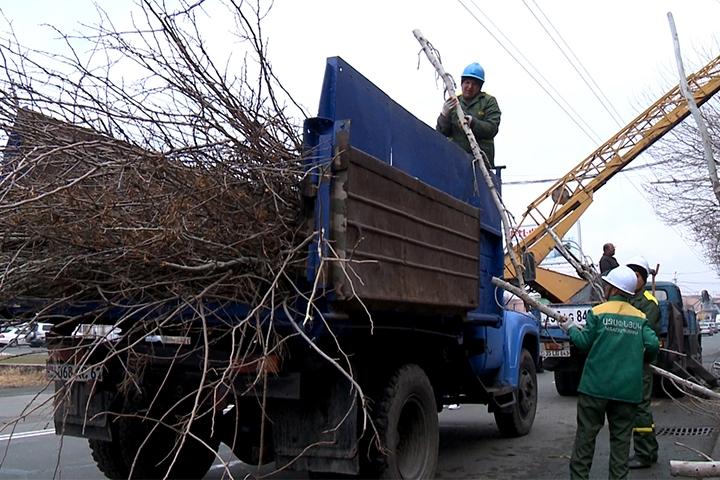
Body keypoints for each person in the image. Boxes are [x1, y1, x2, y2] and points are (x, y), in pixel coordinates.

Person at [559, 265, 659, 480]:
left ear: (612, 289)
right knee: (621, 445)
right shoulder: (640, 317)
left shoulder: (597, 313)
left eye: (606, 285)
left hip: (594, 388)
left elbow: (584, 343)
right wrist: (644, 360)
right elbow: (652, 345)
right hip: (626, 392)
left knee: (585, 440)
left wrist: (570, 328)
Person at [625, 256, 660, 469]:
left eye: (636, 275)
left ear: (643, 279)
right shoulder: (627, 298)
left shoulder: (648, 302)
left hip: (641, 364)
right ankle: (646, 451)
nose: (632, 279)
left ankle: (646, 453)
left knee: (641, 409)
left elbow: (646, 336)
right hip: (628, 363)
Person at [436, 62, 501, 167]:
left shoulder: (488, 101)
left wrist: (473, 123)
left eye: (474, 84)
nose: (469, 87)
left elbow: (492, 128)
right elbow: (441, 133)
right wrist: (444, 115)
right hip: (454, 159)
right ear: (462, 83)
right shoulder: (454, 102)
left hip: (480, 162)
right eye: (467, 82)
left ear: (480, 87)